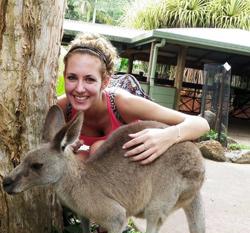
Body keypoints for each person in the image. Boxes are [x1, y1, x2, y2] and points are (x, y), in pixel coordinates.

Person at [57, 32, 210, 165]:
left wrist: (167, 136)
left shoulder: (121, 103)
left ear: (105, 82)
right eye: (72, 78)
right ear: (64, 76)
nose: (79, 89)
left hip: (134, 178)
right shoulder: (61, 107)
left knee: (99, 148)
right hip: (93, 181)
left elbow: (201, 124)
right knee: (80, 154)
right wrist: (66, 145)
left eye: (89, 79)